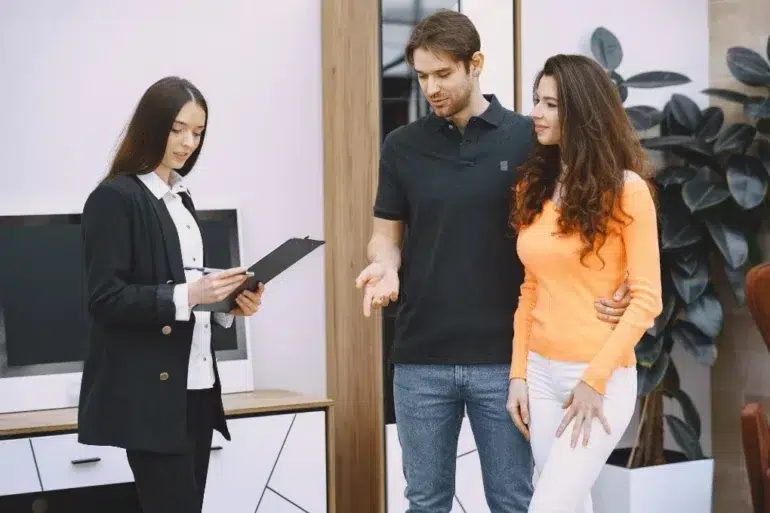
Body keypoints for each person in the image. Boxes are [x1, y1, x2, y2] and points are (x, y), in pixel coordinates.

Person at [355, 10, 632, 513]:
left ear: (475, 63)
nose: (431, 87)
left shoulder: (532, 138)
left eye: (443, 74)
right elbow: (384, 237)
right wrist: (386, 265)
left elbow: (586, 219)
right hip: (420, 358)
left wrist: (622, 286)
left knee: (512, 500)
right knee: (425, 500)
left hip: (508, 362)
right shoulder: (402, 147)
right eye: (422, 76)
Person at [77, 76, 264, 513]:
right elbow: (104, 298)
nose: (187, 143)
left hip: (198, 388)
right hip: (152, 397)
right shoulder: (115, 197)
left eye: (197, 133)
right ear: (151, 125)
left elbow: (185, 286)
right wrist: (190, 293)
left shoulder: (180, 198)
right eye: (177, 129)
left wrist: (227, 304)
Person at [506, 54, 663, 513]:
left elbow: (647, 300)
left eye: (551, 104)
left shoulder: (626, 188)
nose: (536, 112)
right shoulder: (533, 187)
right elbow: (529, 289)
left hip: (598, 376)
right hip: (538, 373)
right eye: (537, 100)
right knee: (570, 504)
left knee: (549, 506)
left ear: (582, 112)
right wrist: (519, 374)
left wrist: (594, 381)